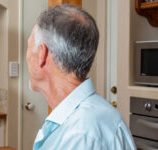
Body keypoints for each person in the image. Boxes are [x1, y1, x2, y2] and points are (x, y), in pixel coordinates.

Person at [26, 5, 136, 150]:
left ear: (42, 53)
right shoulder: (96, 115)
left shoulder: (80, 134)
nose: (26, 57)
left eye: (28, 47)